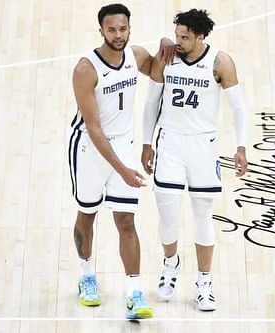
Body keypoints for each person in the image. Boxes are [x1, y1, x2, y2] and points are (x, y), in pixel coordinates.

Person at [68, 3, 174, 319]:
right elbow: (94, 127)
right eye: (111, 29)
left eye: (123, 29)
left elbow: (156, 70)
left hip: (123, 146)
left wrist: (164, 48)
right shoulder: (86, 69)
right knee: (87, 215)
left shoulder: (135, 56)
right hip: (89, 148)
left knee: (126, 221)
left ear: (130, 28)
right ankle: (87, 275)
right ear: (101, 30)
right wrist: (123, 170)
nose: (118, 35)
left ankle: (134, 294)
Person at [141, 9, 248, 311]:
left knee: (203, 217)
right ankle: (170, 264)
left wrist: (241, 146)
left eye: (184, 37)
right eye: (176, 35)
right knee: (167, 216)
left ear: (201, 37)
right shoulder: (167, 57)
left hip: (204, 145)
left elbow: (238, 107)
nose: (178, 41)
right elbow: (151, 101)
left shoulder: (220, 62)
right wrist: (147, 142)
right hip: (171, 143)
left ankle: (204, 282)